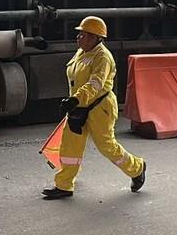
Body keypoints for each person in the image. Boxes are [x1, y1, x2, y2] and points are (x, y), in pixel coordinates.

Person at [42, 15, 147, 200]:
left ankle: (137, 168)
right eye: (79, 34)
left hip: (100, 108)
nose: (78, 37)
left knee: (106, 146)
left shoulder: (103, 57)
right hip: (79, 107)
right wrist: (74, 101)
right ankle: (64, 186)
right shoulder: (82, 52)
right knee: (69, 146)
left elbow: (95, 84)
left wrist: (75, 100)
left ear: (95, 37)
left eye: (83, 35)